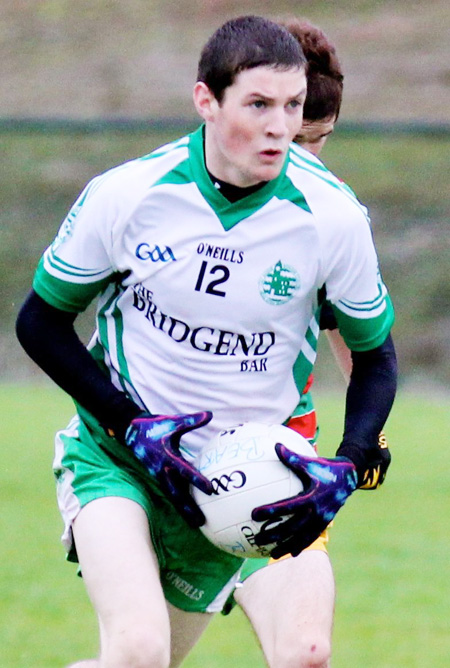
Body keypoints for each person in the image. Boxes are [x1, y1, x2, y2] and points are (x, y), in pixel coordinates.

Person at [16, 15, 397, 668]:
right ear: (206, 101)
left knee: (286, 656)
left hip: (249, 472)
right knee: (138, 651)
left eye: (293, 107)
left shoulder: (331, 217)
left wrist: (352, 453)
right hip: (119, 456)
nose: (280, 126)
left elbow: (374, 355)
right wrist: (131, 424)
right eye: (258, 105)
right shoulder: (128, 195)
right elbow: (39, 322)